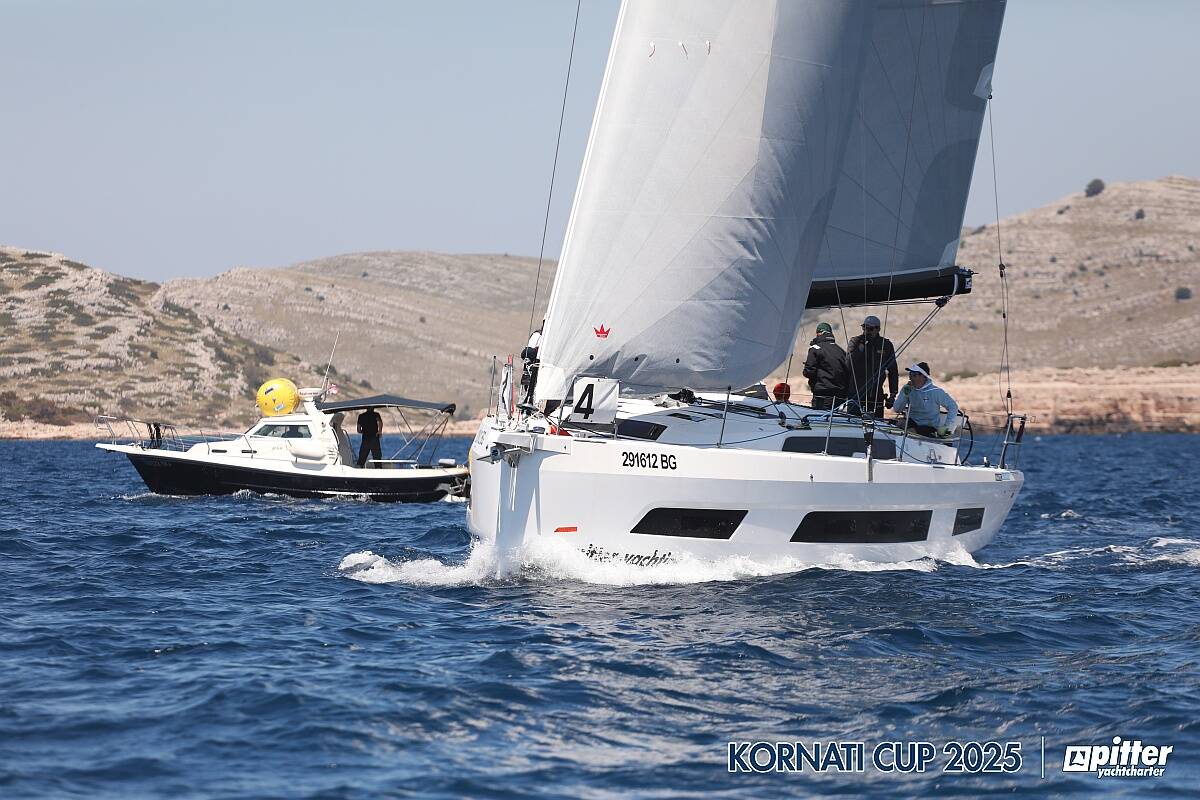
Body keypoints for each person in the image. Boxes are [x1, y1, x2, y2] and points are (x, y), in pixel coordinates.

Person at [845, 314, 898, 418]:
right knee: (852, 422)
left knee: (876, 424)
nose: (866, 331)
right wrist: (861, 347)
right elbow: (848, 364)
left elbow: (893, 370)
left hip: (876, 393)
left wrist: (893, 393)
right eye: (864, 327)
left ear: (878, 329)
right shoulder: (855, 342)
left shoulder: (885, 345)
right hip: (856, 393)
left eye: (870, 328)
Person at [892, 362, 959, 438]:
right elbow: (897, 409)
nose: (910, 378)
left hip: (929, 427)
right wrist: (905, 394)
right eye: (910, 374)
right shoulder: (907, 388)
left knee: (911, 431)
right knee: (898, 424)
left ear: (923, 377)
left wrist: (947, 429)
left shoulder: (935, 391)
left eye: (914, 375)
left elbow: (953, 406)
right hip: (912, 422)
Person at [801, 322, 847, 409]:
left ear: (819, 333)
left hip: (822, 394)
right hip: (840, 395)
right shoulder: (840, 351)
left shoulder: (815, 348)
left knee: (820, 420)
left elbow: (808, 372)